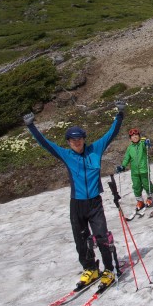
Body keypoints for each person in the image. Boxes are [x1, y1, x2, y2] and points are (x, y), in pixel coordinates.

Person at [23, 101, 125, 288]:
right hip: (76, 204)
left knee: (101, 236)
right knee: (81, 238)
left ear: (84, 139)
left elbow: (111, 134)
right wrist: (31, 126)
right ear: (69, 142)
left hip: (94, 202)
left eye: (79, 139)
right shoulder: (66, 155)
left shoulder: (96, 149)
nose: (76, 143)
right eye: (72, 140)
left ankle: (109, 269)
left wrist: (119, 114)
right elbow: (46, 144)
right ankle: (90, 268)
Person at [117, 128, 153, 210]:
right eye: (132, 136)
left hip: (144, 169)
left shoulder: (142, 144)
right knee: (136, 186)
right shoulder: (130, 148)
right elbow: (126, 158)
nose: (135, 137)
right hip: (135, 172)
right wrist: (123, 166)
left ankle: (150, 197)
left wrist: (146, 142)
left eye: (136, 135)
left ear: (139, 136)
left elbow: (146, 146)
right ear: (130, 138)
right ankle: (140, 201)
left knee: (146, 184)